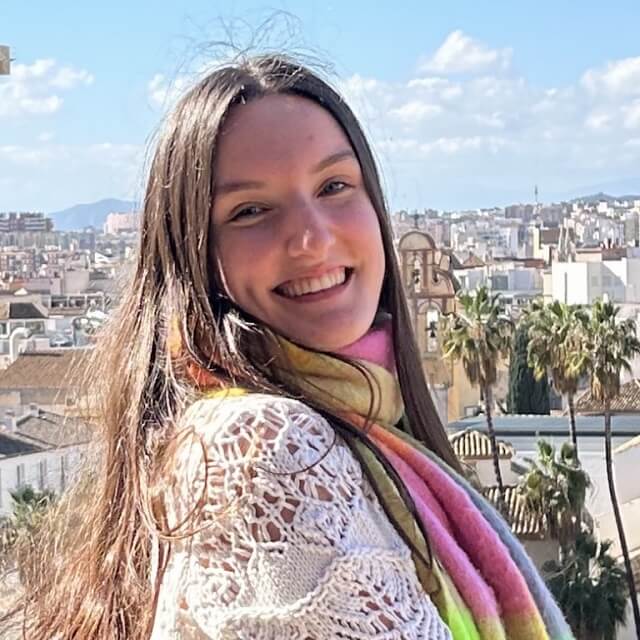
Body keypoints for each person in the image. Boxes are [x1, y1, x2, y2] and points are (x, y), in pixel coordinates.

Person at [14, 54, 573, 639]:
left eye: (334, 186)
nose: (312, 238)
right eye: (251, 211)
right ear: (194, 256)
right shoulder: (266, 447)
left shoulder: (357, 425)